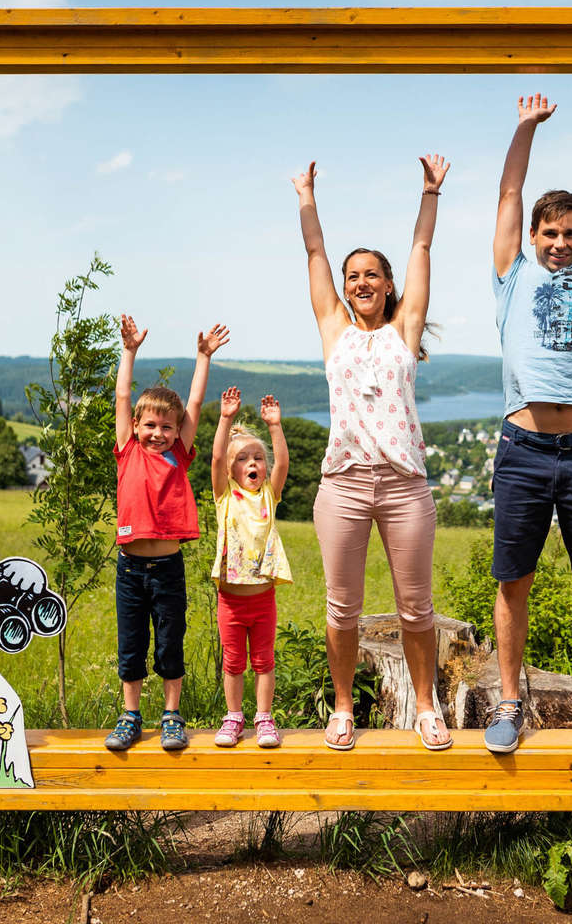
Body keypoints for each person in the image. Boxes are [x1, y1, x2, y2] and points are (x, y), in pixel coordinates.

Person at [484, 76, 572, 758]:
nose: (561, 242)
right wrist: (529, 127)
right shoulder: (514, 273)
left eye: (570, 233)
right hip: (524, 449)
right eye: (552, 233)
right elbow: (509, 194)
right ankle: (510, 700)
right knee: (514, 581)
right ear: (534, 237)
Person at [295, 154, 452, 751]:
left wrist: (429, 194)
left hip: (404, 484)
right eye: (351, 275)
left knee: (416, 609)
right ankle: (342, 710)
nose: (360, 283)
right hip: (343, 484)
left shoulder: (403, 329)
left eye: (371, 275)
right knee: (343, 611)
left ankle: (427, 706)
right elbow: (314, 255)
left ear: (389, 286)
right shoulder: (333, 327)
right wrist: (307, 198)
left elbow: (422, 250)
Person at [104, 313, 230, 752]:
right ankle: (131, 715)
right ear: (136, 427)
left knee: (169, 644)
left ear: (177, 432)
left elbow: (194, 404)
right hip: (130, 570)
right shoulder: (127, 450)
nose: (158, 433)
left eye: (167, 427)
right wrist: (129, 351)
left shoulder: (180, 453)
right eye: (150, 426)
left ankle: (172, 715)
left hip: (167, 569)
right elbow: (123, 394)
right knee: (131, 645)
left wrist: (202, 357)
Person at [210, 387, 293, 748]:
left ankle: (263, 718)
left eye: (258, 458)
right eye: (244, 458)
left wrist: (274, 426)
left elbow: (284, 464)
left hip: (263, 599)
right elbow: (214, 459)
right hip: (230, 600)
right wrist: (226, 419)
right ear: (232, 470)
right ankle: (233, 717)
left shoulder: (269, 498)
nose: (254, 464)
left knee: (263, 661)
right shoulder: (225, 496)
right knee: (233, 662)